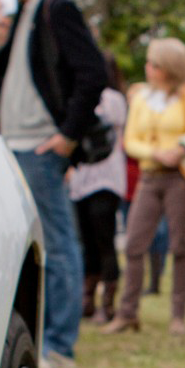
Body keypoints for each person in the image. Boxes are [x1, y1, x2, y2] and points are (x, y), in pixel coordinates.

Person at [0, 0, 108, 368]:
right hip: (11, 144)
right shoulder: (21, 16)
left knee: (57, 244)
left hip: (40, 146)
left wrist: (68, 134)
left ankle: (59, 346)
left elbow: (94, 72)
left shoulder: (57, 8)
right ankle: (38, 339)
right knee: (24, 245)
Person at [104, 39, 185, 335]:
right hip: (149, 175)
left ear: (168, 68)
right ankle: (128, 312)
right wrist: (154, 153)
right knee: (134, 244)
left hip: (180, 177)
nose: (148, 69)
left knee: (180, 245)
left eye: (154, 64)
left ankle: (178, 315)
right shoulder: (142, 96)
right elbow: (130, 140)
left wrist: (180, 148)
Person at [71, 52, 129, 323]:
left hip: (106, 176)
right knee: (86, 242)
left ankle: (108, 302)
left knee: (105, 239)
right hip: (81, 177)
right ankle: (88, 298)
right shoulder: (76, 96)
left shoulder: (113, 100)